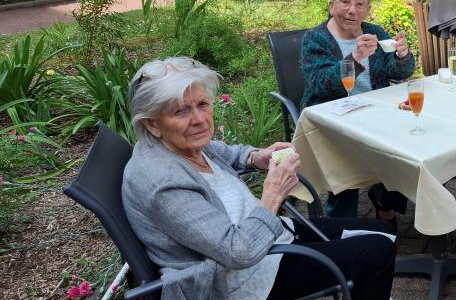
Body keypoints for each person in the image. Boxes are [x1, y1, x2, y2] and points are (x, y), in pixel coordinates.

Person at [122, 57, 396, 300]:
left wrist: (256, 157)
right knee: (378, 250)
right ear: (152, 124)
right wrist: (273, 194)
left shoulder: (180, 144)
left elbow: (224, 152)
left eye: (202, 104)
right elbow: (238, 252)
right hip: (241, 280)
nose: (199, 119)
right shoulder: (162, 181)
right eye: (180, 111)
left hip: (267, 238)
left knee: (380, 229)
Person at [301, 0, 416, 221]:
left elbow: (398, 73)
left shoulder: (375, 32)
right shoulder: (315, 38)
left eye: (360, 5)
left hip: (376, 113)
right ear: (331, 5)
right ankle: (341, 225)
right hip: (332, 118)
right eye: (344, 2)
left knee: (401, 149)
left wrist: (402, 56)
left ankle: (385, 203)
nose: (352, 10)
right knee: (346, 162)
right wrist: (355, 58)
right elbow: (321, 85)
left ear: (367, 9)